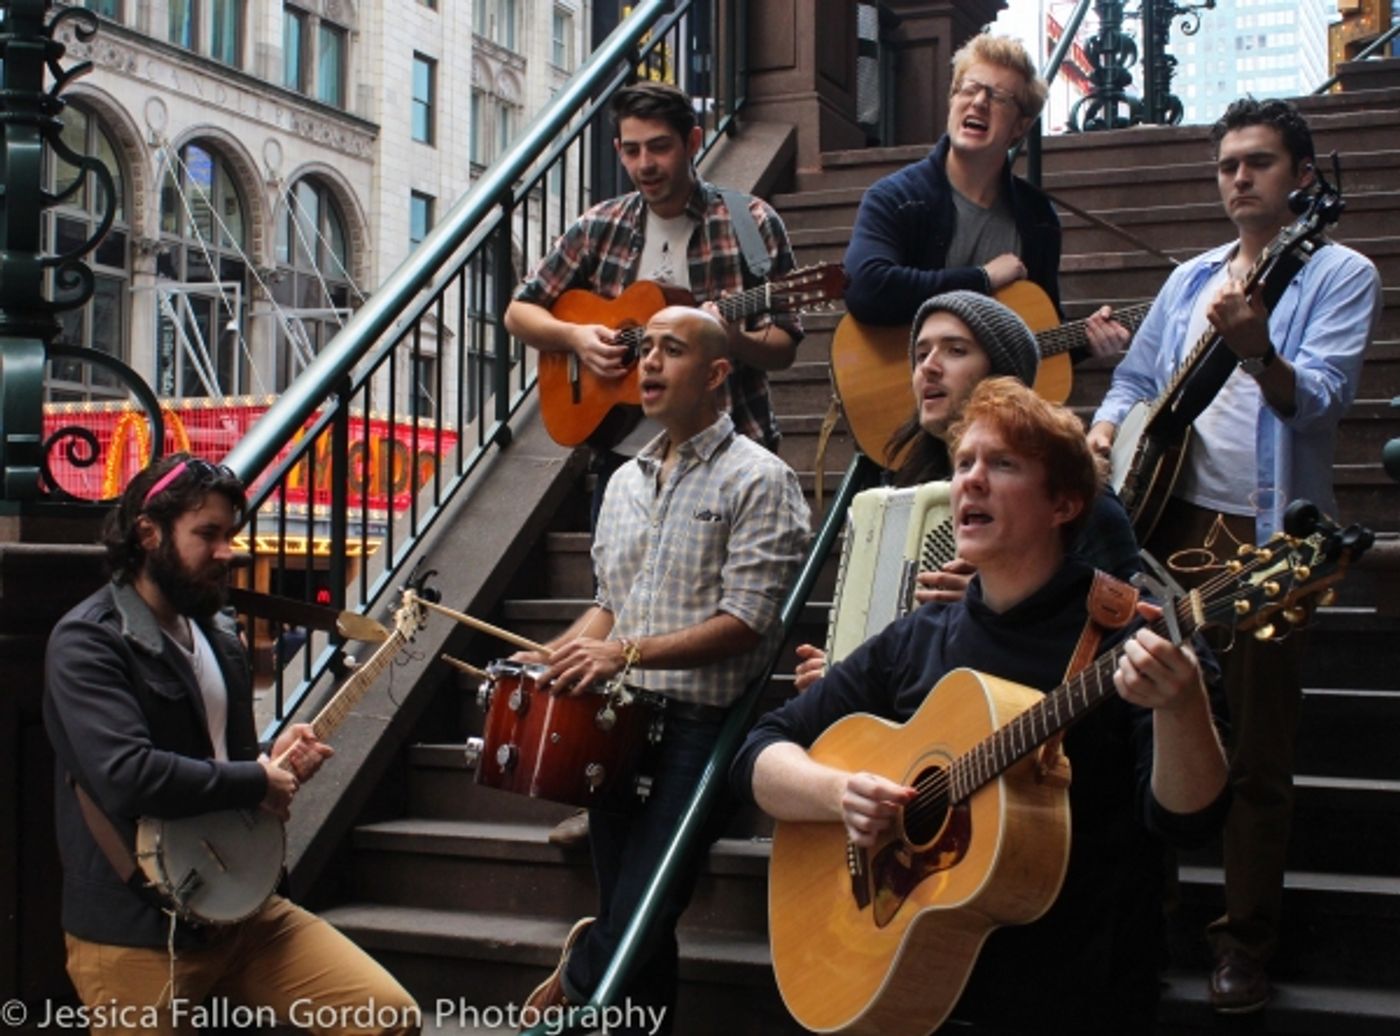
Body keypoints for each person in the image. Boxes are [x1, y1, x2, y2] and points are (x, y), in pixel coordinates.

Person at [735, 378, 1230, 1032]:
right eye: (964, 461)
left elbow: (1189, 825)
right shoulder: (919, 637)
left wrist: (1182, 707)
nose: (970, 480)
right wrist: (839, 794)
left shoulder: (1135, 636)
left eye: (1002, 464)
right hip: (916, 982)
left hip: (1080, 994)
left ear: (1065, 504)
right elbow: (761, 749)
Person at [1088, 97, 1383, 1014]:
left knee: (1255, 745)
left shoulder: (1338, 272)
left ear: (1302, 177)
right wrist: (1103, 432)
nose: (1238, 178)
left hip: (1264, 536)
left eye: (1257, 162)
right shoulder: (1189, 278)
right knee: (1145, 722)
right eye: (1226, 165)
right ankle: (1152, 912)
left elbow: (1322, 401)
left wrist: (1258, 351)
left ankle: (1244, 942)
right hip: (1164, 519)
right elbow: (1139, 379)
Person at [507, 79, 803, 849]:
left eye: (660, 148)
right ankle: (610, 768)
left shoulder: (748, 222)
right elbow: (521, 309)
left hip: (728, 439)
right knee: (629, 596)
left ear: (693, 138)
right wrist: (577, 341)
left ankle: (702, 786)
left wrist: (716, 338)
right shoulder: (601, 227)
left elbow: (784, 340)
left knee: (710, 609)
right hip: (628, 455)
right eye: (631, 150)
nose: (645, 164)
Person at [43, 455, 420, 1036]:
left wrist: (270, 758)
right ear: (148, 533)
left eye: (231, 535)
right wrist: (254, 781)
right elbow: (127, 774)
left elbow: (219, 759)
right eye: (207, 535)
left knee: (387, 1018)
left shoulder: (218, 634)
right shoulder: (88, 641)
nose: (228, 552)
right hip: (137, 929)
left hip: (245, 910)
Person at [515, 307, 809, 1034]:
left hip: (700, 730)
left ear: (716, 375)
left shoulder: (761, 480)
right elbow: (613, 606)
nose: (647, 364)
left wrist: (626, 653)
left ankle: (575, 986)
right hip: (618, 722)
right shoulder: (622, 482)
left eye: (670, 352)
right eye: (645, 349)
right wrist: (558, 653)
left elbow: (747, 625)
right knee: (630, 907)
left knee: (646, 908)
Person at [793, 289, 1141, 692]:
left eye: (955, 351)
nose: (929, 368)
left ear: (1002, 374)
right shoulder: (903, 489)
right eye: (921, 355)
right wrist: (847, 666)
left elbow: (1121, 619)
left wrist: (998, 611)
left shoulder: (1073, 491)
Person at [841, 32, 1126, 356]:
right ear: (952, 100)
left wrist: (1086, 342)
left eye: (998, 96)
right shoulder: (896, 198)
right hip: (914, 398)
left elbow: (1035, 336)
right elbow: (865, 288)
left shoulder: (1038, 218)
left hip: (996, 405)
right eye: (970, 89)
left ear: (1020, 127)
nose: (979, 102)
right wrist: (982, 279)